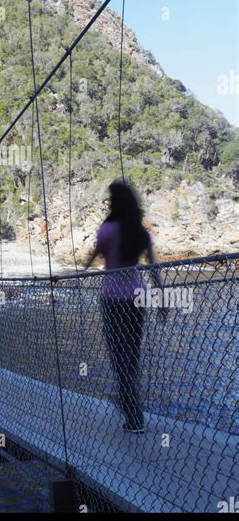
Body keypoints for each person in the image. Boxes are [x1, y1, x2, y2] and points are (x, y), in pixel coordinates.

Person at [84, 180, 160, 434]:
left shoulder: (107, 230)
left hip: (113, 299)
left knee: (120, 359)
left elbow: (96, 255)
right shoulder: (140, 232)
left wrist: (79, 272)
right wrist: (160, 297)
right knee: (132, 357)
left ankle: (133, 413)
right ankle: (127, 400)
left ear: (113, 201)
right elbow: (152, 268)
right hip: (138, 299)